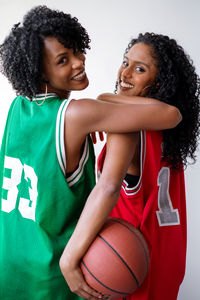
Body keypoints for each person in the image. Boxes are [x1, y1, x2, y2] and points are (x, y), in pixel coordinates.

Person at [0, 6, 182, 300]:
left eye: (75, 51)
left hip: (10, 265)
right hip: (53, 275)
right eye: (62, 60)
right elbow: (171, 115)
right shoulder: (78, 113)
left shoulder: (17, 108)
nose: (78, 62)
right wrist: (105, 102)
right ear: (40, 71)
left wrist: (101, 107)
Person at [97, 32, 200, 300]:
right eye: (125, 61)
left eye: (139, 69)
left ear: (160, 83)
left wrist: (102, 101)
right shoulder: (167, 132)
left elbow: (108, 191)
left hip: (128, 258)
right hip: (169, 253)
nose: (125, 73)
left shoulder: (131, 127)